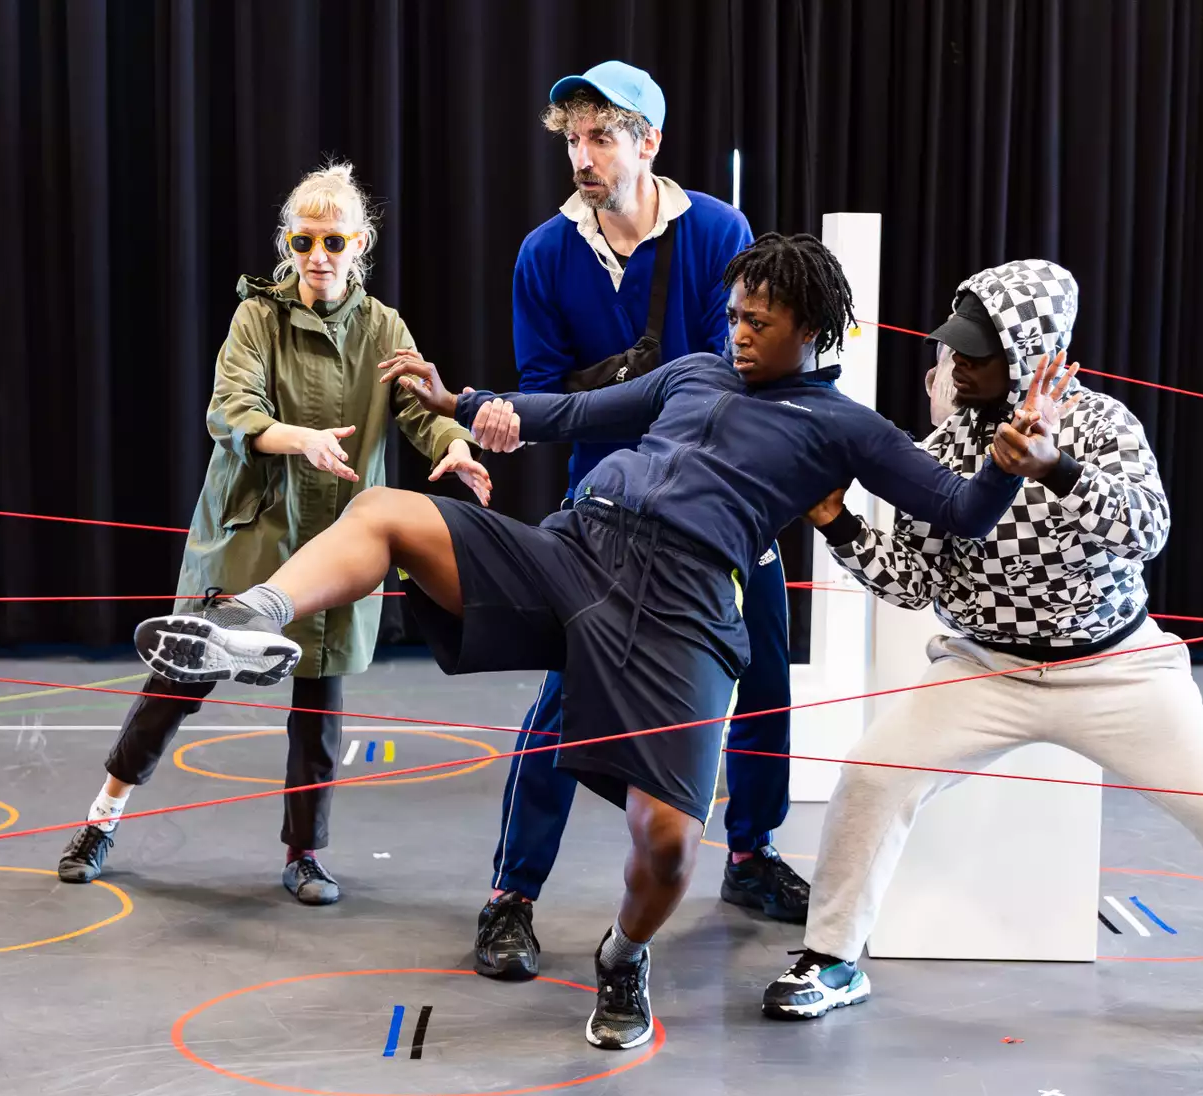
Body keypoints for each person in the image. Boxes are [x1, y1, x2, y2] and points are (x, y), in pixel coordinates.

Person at [127, 234, 1074, 1050]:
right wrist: (465, 400)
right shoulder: (697, 372)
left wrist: (1011, 463)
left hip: (686, 613)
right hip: (579, 549)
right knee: (384, 512)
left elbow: (956, 509)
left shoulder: (844, 428)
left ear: (812, 332)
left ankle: (624, 955)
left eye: (759, 321)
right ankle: (245, 621)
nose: (738, 331)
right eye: (735, 313)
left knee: (667, 846)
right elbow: (574, 415)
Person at [759, 259, 1203, 1040]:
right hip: (985, 667)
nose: (958, 366)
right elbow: (912, 585)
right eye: (954, 349)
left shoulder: (1104, 427)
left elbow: (1148, 533)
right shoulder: (944, 448)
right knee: (873, 777)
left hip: (1116, 667)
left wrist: (1059, 470)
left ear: (1030, 352)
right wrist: (837, 521)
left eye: (978, 352)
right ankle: (832, 959)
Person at [56, 162, 491, 904]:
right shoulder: (256, 317)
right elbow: (230, 408)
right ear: (287, 244)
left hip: (339, 543)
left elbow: (419, 409)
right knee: (177, 682)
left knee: (319, 705)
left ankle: (304, 854)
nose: (317, 254)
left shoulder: (384, 327)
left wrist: (453, 440)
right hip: (251, 529)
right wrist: (299, 439)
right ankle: (101, 818)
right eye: (303, 239)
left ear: (360, 245)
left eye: (333, 240)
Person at [477, 60, 804, 985]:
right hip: (603, 512)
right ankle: (511, 896)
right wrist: (527, 408)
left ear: (648, 142)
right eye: (572, 139)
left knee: (767, 674)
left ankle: (749, 855)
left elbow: (726, 385)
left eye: (601, 137)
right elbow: (545, 399)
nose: (582, 157)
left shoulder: (718, 232)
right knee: (556, 708)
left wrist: (601, 393)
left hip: (728, 509)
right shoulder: (545, 254)